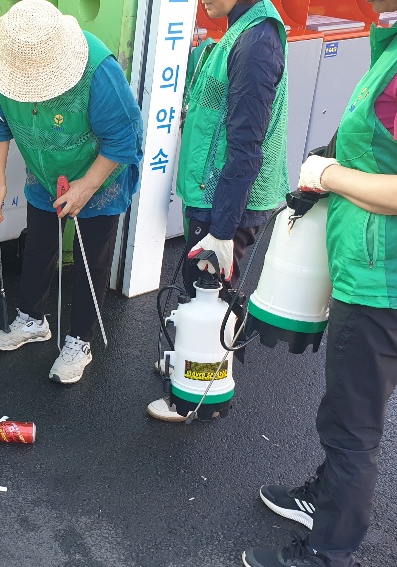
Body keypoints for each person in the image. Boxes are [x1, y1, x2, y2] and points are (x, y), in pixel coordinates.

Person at [244, 1, 397, 565]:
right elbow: (388, 129)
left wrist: (328, 174)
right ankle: (325, 499)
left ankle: (328, 550)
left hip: (389, 268)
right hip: (381, 254)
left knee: (351, 419)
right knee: (348, 402)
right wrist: (330, 163)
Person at [0, 0, 144, 385]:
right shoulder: (5, 65)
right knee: (39, 246)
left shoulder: (99, 71)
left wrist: (87, 186)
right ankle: (33, 320)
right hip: (44, 171)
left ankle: (80, 341)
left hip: (99, 174)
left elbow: (125, 139)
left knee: (91, 260)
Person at [147, 0, 289, 421]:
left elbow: (246, 146)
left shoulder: (256, 41)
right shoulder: (238, 29)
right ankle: (186, 364)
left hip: (228, 203)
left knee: (211, 299)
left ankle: (193, 399)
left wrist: (223, 232)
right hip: (212, 194)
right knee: (197, 293)